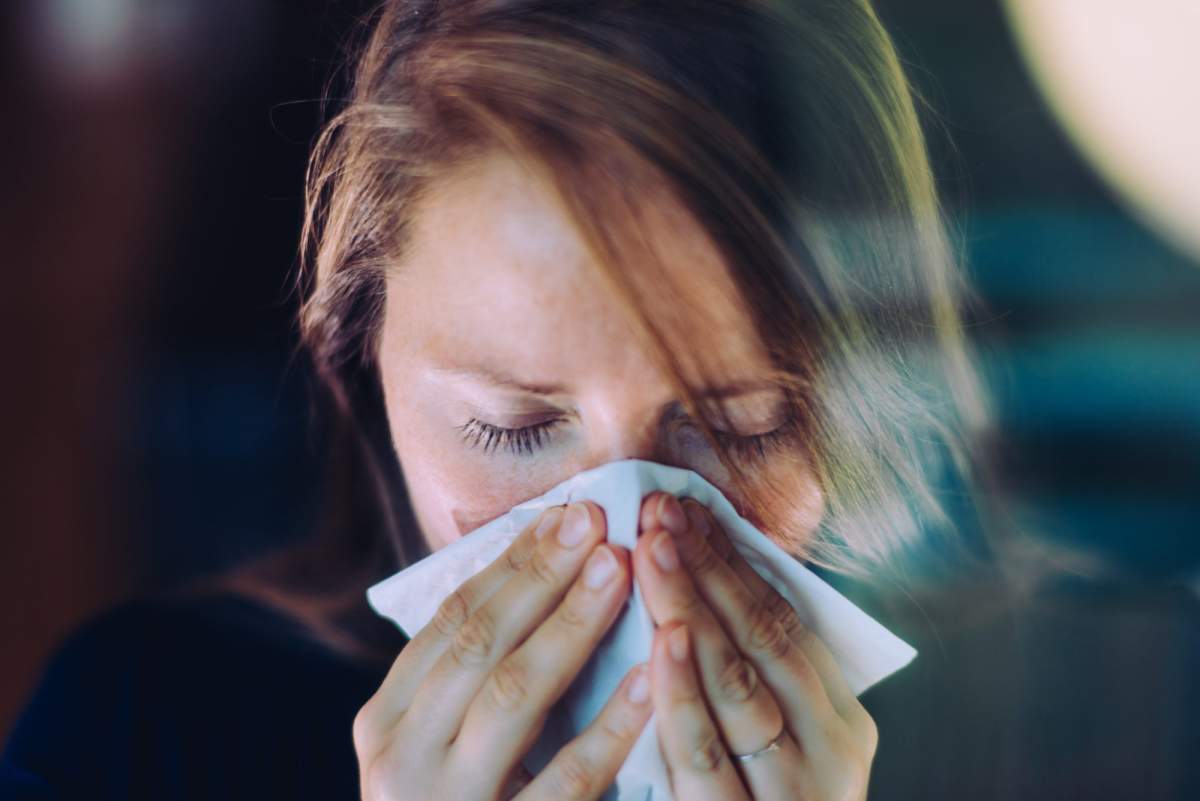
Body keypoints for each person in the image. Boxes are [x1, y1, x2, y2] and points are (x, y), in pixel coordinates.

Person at [2, 1, 1003, 799]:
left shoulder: (1029, 749)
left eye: (744, 429)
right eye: (513, 428)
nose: (624, 545)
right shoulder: (132, 739)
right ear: (359, 370)